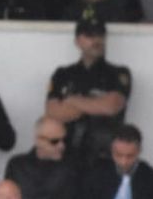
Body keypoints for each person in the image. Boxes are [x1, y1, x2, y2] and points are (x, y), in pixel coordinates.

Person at [44, 18, 131, 163]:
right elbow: (53, 112)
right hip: (68, 155)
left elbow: (111, 106)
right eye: (90, 36)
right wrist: (94, 103)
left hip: (104, 156)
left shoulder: (118, 73)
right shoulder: (63, 74)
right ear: (77, 41)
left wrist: (71, 100)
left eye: (100, 35)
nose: (96, 40)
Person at [2, 118, 77, 199]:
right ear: (38, 140)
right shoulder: (17, 164)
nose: (62, 145)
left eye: (65, 140)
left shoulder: (73, 166)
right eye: (55, 141)